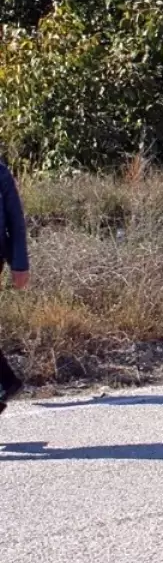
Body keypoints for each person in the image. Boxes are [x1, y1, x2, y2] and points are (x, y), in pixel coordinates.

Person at [0, 159, 29, 414]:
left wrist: (19, 264)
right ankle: (6, 381)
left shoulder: (0, 173)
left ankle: (6, 382)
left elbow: (15, 222)